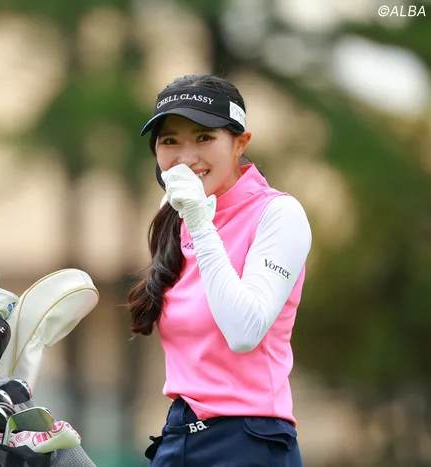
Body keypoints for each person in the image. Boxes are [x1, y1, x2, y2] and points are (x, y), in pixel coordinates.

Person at [127, 74, 312, 466]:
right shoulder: (174, 216)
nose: (185, 157)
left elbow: (245, 332)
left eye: (204, 137)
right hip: (179, 435)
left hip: (250, 438)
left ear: (240, 143)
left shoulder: (278, 213)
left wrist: (199, 223)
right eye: (169, 141)